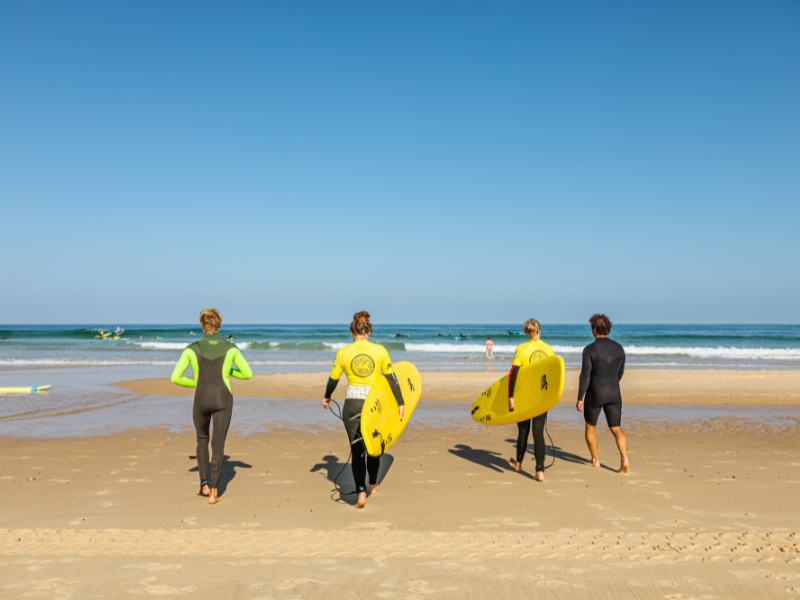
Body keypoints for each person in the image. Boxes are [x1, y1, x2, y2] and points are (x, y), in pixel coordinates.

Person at [322, 311, 405, 509]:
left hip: (351, 406)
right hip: (374, 407)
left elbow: (332, 380)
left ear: (353, 332)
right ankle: (373, 485)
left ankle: (361, 494)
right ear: (368, 332)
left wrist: (327, 396)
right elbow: (392, 378)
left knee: (357, 450)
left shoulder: (344, 352)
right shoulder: (380, 351)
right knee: (374, 448)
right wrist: (400, 402)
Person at [171, 308, 253, 504]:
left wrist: (196, 383)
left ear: (202, 325)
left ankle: (204, 486)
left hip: (200, 399)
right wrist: (230, 372)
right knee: (218, 445)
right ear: (219, 325)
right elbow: (247, 373)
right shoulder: (231, 348)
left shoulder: (191, 348)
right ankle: (214, 494)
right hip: (222, 400)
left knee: (201, 440)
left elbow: (176, 377)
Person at [576, 313, 629, 473]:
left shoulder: (589, 349)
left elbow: (585, 375)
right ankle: (624, 459)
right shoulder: (619, 348)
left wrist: (580, 397)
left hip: (596, 392)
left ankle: (595, 460)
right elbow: (620, 373)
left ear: (594, 329)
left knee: (591, 427)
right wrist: (611, 384)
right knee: (616, 429)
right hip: (614, 392)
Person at [507, 319, 556, 482]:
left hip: (525, 395)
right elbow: (552, 375)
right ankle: (540, 471)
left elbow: (513, 373)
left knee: (523, 431)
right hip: (542, 396)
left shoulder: (521, 348)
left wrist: (511, 396)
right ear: (539, 331)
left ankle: (519, 464)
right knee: (538, 431)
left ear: (527, 333)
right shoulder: (549, 349)